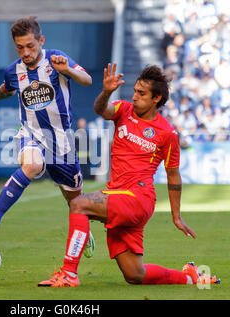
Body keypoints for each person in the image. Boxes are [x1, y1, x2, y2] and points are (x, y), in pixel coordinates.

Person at [38, 64, 220, 287]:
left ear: (157, 98)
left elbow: (173, 176)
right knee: (135, 275)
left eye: (141, 93)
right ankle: (189, 277)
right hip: (118, 194)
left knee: (78, 204)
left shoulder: (167, 133)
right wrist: (106, 92)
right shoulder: (123, 110)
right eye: (134, 91)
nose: (134, 97)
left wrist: (176, 216)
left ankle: (69, 274)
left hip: (137, 198)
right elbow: (100, 110)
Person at [0, 16, 95, 258]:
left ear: (41, 40)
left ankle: (84, 230)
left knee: (76, 201)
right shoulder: (13, 71)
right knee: (32, 164)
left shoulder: (56, 59)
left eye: (31, 46)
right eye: (20, 47)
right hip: (30, 134)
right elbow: (5, 91)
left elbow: (87, 80)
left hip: (61, 140)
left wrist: (67, 70)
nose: (26, 52)